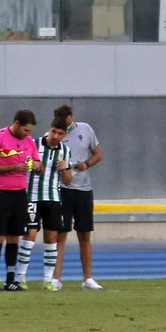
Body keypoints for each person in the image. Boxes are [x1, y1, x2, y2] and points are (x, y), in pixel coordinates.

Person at [0, 109, 39, 291]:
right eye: (26, 130)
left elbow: (38, 164)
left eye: (30, 131)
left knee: (14, 237)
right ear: (16, 124)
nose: (28, 134)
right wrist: (14, 166)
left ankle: (10, 280)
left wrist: (37, 166)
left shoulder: (29, 142)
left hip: (19, 193)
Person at [52, 103, 104, 290]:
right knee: (61, 234)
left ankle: (87, 278)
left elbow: (98, 154)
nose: (64, 129)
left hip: (83, 188)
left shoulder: (85, 129)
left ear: (71, 117)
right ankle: (55, 278)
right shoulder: (54, 136)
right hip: (62, 189)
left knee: (84, 234)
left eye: (67, 124)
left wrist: (87, 164)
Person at [22, 118, 73, 290]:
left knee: (51, 238)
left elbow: (68, 181)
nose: (56, 136)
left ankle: (48, 280)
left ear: (64, 135)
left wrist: (64, 169)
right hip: (32, 197)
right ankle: (21, 277)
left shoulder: (65, 151)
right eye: (54, 132)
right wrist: (33, 165)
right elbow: (24, 163)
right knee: (30, 235)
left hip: (53, 199)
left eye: (60, 134)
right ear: (49, 129)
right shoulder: (34, 144)